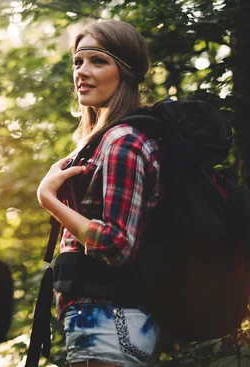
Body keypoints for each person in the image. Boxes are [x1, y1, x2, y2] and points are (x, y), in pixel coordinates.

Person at [36, 19, 162, 367]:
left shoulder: (122, 142)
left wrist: (48, 200)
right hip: (106, 321)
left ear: (125, 71)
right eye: (78, 62)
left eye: (97, 61)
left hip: (110, 321)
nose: (82, 72)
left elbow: (116, 245)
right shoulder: (105, 141)